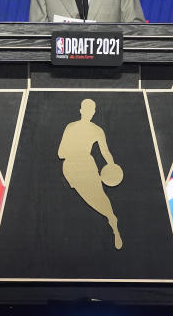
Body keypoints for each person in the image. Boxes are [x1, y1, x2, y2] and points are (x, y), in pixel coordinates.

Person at [58, 98, 123, 249]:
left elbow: (106, 152)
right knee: (93, 198)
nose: (88, 113)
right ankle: (111, 218)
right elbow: (60, 153)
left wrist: (111, 166)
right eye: (87, 110)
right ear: (82, 111)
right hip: (73, 167)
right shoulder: (73, 127)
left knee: (98, 196)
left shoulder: (95, 130)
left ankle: (113, 222)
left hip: (85, 164)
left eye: (90, 111)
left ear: (92, 113)